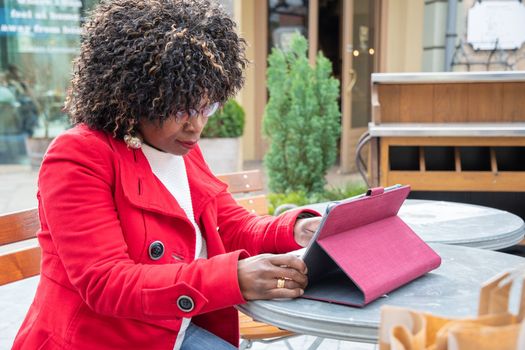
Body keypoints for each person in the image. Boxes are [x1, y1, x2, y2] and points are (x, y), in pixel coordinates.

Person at [12, 1, 321, 349]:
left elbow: (232, 225)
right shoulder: (78, 155)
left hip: (174, 328)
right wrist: (231, 278)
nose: (197, 125)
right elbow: (106, 282)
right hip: (103, 338)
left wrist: (297, 228)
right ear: (135, 95)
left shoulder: (179, 149)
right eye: (182, 108)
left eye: (208, 106)